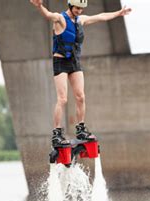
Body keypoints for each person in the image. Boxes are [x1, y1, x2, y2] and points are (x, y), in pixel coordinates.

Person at [29, 0, 132, 145]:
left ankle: (81, 129)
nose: (80, 11)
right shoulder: (60, 18)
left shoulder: (80, 20)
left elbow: (100, 16)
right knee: (62, 99)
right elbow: (48, 15)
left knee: (81, 97)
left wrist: (119, 13)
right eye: (77, 8)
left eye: (82, 8)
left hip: (74, 63)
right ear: (70, 5)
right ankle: (57, 133)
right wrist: (39, 6)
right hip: (61, 62)